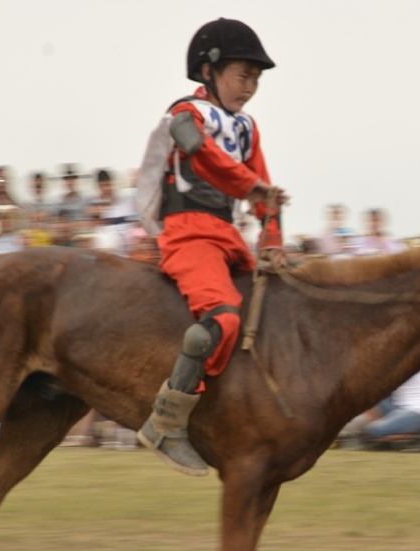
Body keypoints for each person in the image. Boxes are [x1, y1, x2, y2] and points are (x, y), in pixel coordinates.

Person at [136, 17, 288, 476]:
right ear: (209, 71)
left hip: (228, 236)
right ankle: (166, 421)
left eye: (256, 79)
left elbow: (264, 189)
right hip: (188, 233)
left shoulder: (247, 128)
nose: (250, 87)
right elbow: (204, 155)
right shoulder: (186, 114)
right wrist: (253, 189)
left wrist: (274, 239)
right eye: (243, 75)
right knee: (223, 317)